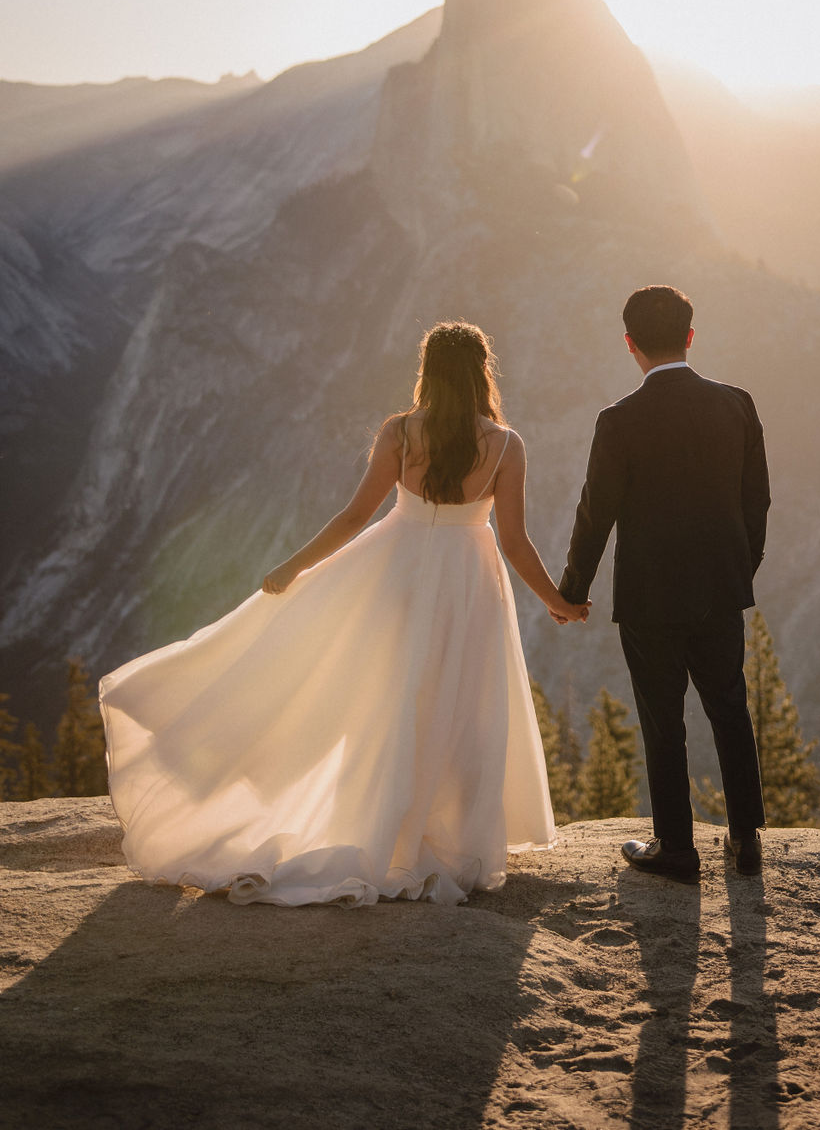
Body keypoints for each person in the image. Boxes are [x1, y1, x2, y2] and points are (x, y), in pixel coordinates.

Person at [100, 321, 588, 908]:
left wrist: (293, 568)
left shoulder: (401, 433)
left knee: (390, 701)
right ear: (483, 371)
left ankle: (381, 828)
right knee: (462, 704)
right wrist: (556, 601)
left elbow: (356, 516)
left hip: (397, 573)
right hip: (468, 582)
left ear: (428, 372)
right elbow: (514, 540)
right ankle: (449, 841)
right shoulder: (507, 445)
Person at [557, 286, 770, 881]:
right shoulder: (737, 405)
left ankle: (675, 849)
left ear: (630, 345)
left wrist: (573, 591)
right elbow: (758, 502)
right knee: (731, 707)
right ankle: (746, 841)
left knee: (662, 717)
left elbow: (595, 513)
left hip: (650, 598)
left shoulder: (619, 421)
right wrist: (736, 570)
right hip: (722, 591)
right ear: (691, 337)